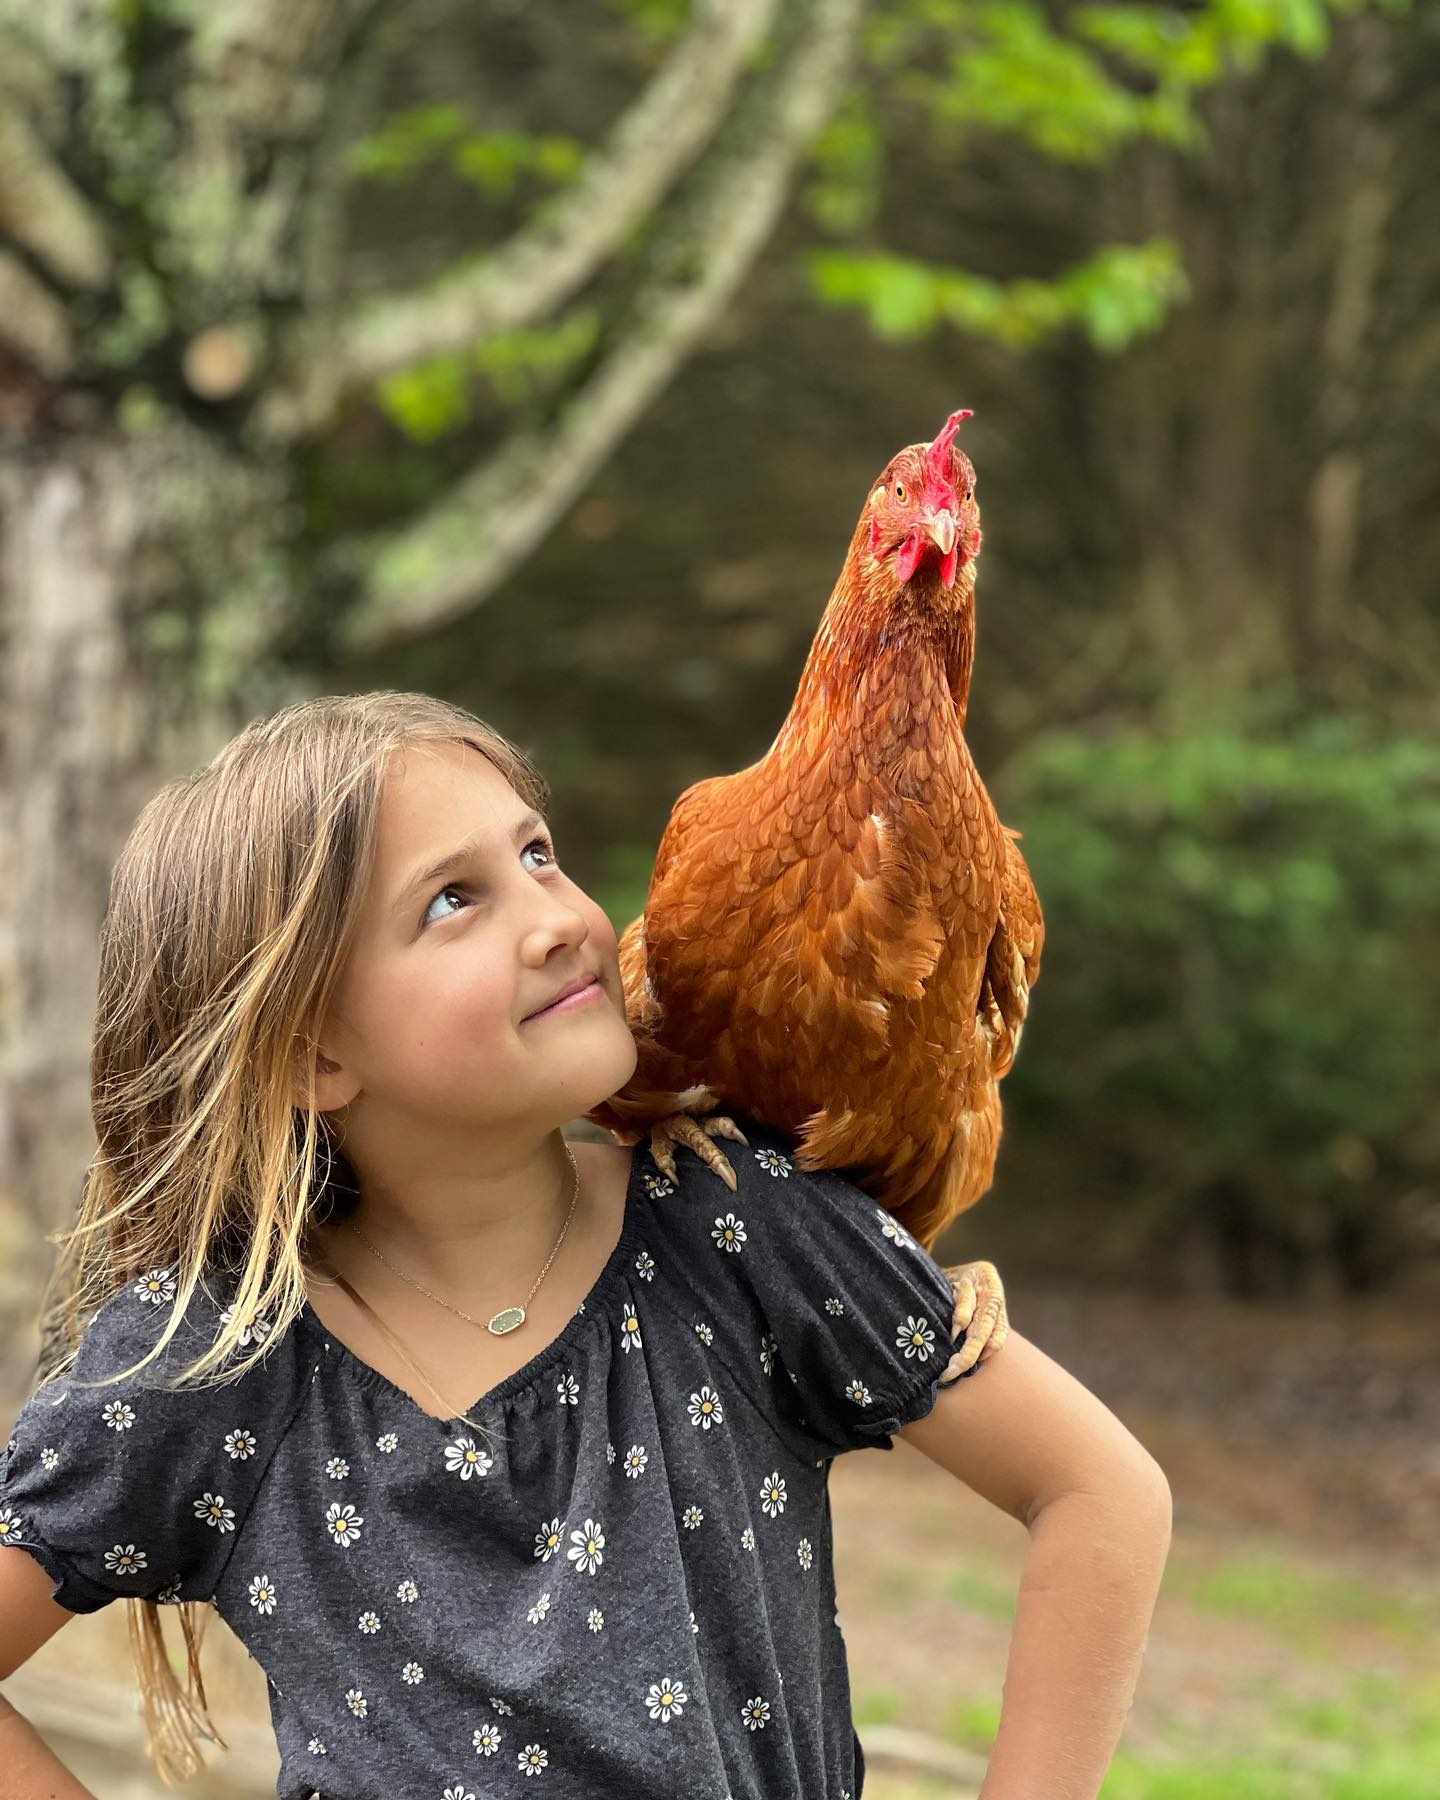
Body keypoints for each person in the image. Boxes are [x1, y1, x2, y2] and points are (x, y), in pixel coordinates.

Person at [0, 691, 1170, 1800]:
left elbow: (1100, 1491)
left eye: (539, 855)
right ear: (312, 1057)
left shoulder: (738, 1225)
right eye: (452, 901)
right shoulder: (221, 1359)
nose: (560, 921)